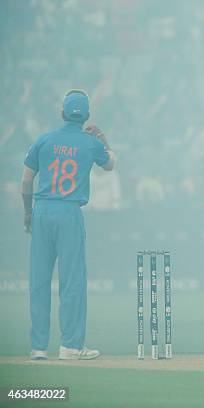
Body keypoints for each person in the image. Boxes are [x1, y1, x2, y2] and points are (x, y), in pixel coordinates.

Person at [21, 89, 116, 360]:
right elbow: (111, 164)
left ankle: (38, 348)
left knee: (39, 281)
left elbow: (26, 180)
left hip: (41, 211)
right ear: (86, 115)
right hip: (69, 212)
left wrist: (28, 213)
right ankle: (70, 347)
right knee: (72, 281)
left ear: (62, 113)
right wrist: (104, 140)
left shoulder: (44, 140)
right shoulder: (90, 143)